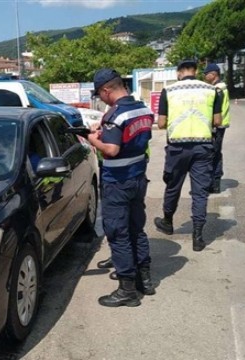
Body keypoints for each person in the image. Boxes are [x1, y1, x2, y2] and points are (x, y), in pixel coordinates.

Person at [86, 68, 155, 307]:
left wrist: (92, 138)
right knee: (137, 228)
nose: (101, 99)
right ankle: (144, 279)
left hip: (118, 181)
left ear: (106, 90)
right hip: (138, 176)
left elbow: (112, 150)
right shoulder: (143, 109)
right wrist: (105, 130)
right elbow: (133, 138)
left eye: (99, 94)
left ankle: (127, 289)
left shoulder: (115, 115)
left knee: (118, 233)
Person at [153, 59, 223, 252]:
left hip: (177, 148)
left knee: (173, 186)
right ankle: (198, 237)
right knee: (200, 192)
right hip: (203, 146)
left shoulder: (169, 91)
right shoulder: (211, 90)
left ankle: (167, 222)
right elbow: (217, 121)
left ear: (178, 73)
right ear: (197, 71)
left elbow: (160, 123)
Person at [203, 63, 230, 193]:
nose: (204, 76)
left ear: (213, 74)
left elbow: (215, 110)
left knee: (213, 154)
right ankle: (215, 182)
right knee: (216, 153)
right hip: (219, 125)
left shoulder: (217, 89)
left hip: (216, 126)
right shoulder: (220, 87)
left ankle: (214, 182)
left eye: (206, 74)